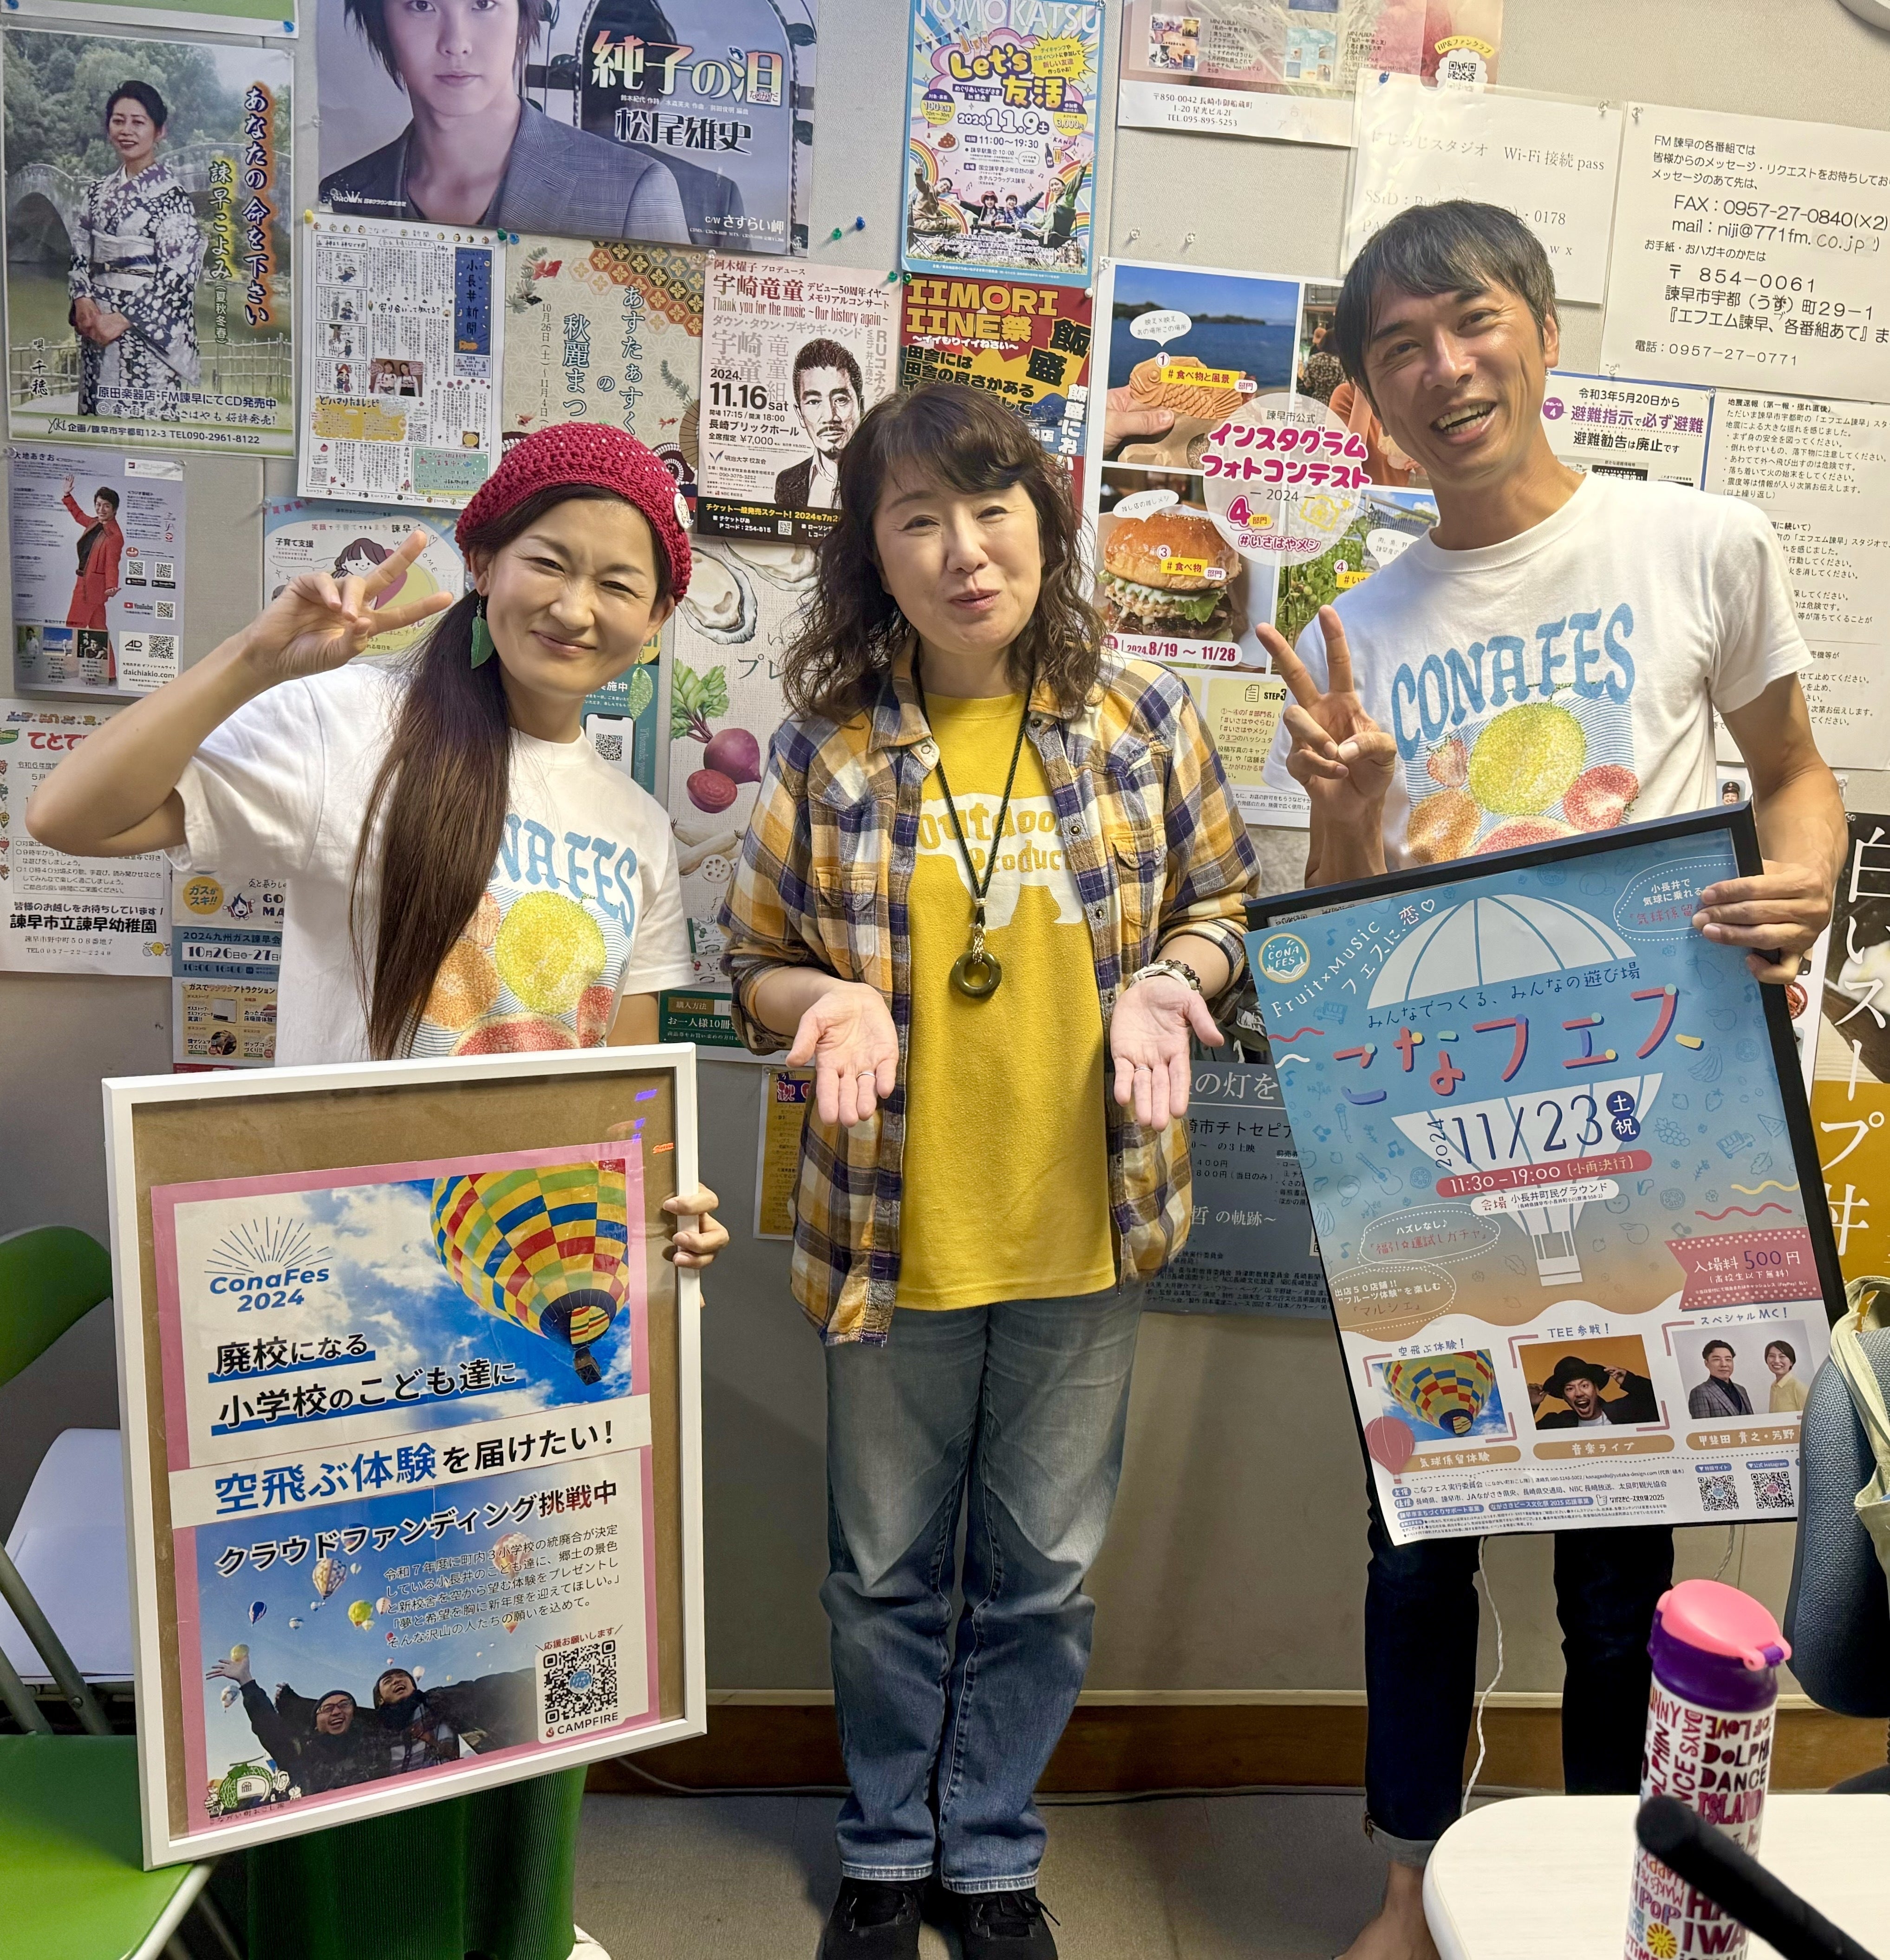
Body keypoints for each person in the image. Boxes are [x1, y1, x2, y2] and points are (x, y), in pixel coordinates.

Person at [27, 421, 729, 1960]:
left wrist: (664, 1208)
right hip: (342, 1320)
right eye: (548, 560)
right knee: (335, 1680)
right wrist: (255, 658)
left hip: (533, 1337)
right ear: (482, 562)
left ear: (656, 618)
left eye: (621, 582)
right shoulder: (349, 726)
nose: (578, 605)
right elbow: (70, 816)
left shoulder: (630, 823)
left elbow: (619, 1096)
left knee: (517, 1673)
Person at [1260, 200, 1846, 1960]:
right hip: (1435, 1150)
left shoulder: (1700, 541)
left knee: (1612, 1577)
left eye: (1472, 321)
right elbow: (1344, 921)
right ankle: (1406, 1883)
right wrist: (1346, 803)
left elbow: (1795, 773)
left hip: (1649, 1127)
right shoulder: (1358, 619)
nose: (1444, 369)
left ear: (1541, 329)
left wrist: (1804, 879)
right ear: (1365, 396)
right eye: (1399, 349)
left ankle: (1610, 1889)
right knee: (1418, 1538)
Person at [719, 382, 1257, 1960]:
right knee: (880, 1574)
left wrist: (1174, 978)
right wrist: (817, 1002)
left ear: (1045, 524)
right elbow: (748, 960)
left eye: (992, 508)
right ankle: (887, 1850)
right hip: (888, 1235)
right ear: (872, 554)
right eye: (919, 519)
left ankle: (992, 1852)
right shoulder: (828, 747)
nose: (964, 551)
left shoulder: (1142, 715)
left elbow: (1223, 906)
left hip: (1089, 1228)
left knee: (1040, 1577)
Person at [319, 0, 690, 242]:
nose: (456, 43)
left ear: (521, 16)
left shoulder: (633, 192)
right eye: (421, 5)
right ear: (381, 21)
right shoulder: (341, 195)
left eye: (483, 4)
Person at [68, 80, 205, 422]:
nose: (126, 131)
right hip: (97, 325)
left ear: (159, 132)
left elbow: (179, 276)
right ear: (108, 127)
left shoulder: (173, 199)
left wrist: (122, 319)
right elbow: (81, 248)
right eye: (118, 121)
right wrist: (82, 297)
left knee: (143, 427)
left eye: (138, 122)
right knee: (97, 420)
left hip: (142, 333)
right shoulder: (96, 192)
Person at [207, 1651, 375, 1796]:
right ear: (315, 1723)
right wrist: (246, 1680)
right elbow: (267, 1724)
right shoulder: (301, 1753)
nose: (337, 1712)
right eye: (328, 1708)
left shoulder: (376, 1742)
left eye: (344, 1705)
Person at [772, 340, 864, 513]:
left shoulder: (884, 479)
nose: (829, 416)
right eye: (814, 402)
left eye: (840, 400)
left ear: (861, 407)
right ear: (800, 414)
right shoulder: (787, 482)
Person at [60, 476, 122, 632]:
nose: (101, 509)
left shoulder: (114, 536)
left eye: (106, 506)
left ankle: (73, 650)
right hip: (91, 586)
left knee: (74, 627)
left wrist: (112, 586)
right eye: (98, 505)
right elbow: (79, 516)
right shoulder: (95, 523)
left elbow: (112, 564)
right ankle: (108, 652)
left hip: (89, 587)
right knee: (98, 629)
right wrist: (67, 495)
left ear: (114, 509)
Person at [1533, 1356, 1659, 1429]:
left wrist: (1630, 1381)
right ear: (1565, 1398)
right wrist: (1532, 1405)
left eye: (1584, 1386)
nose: (1579, 1393)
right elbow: (1527, 1442)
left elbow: (1661, 1401)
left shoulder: (1627, 1410)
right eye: (1570, 1389)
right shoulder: (1555, 1423)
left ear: (1597, 1389)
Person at [1690, 1339, 1756, 1419]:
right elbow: (1703, 1426)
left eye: (1728, 1360)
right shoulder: (1700, 1392)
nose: (1724, 1365)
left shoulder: (1742, 1390)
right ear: (1706, 1363)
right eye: (1717, 1359)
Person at [1767, 1338, 1808, 1414]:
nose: (1776, 1361)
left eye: (1782, 1357)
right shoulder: (1774, 1386)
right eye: (1772, 1356)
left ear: (1791, 1362)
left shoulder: (1798, 1388)